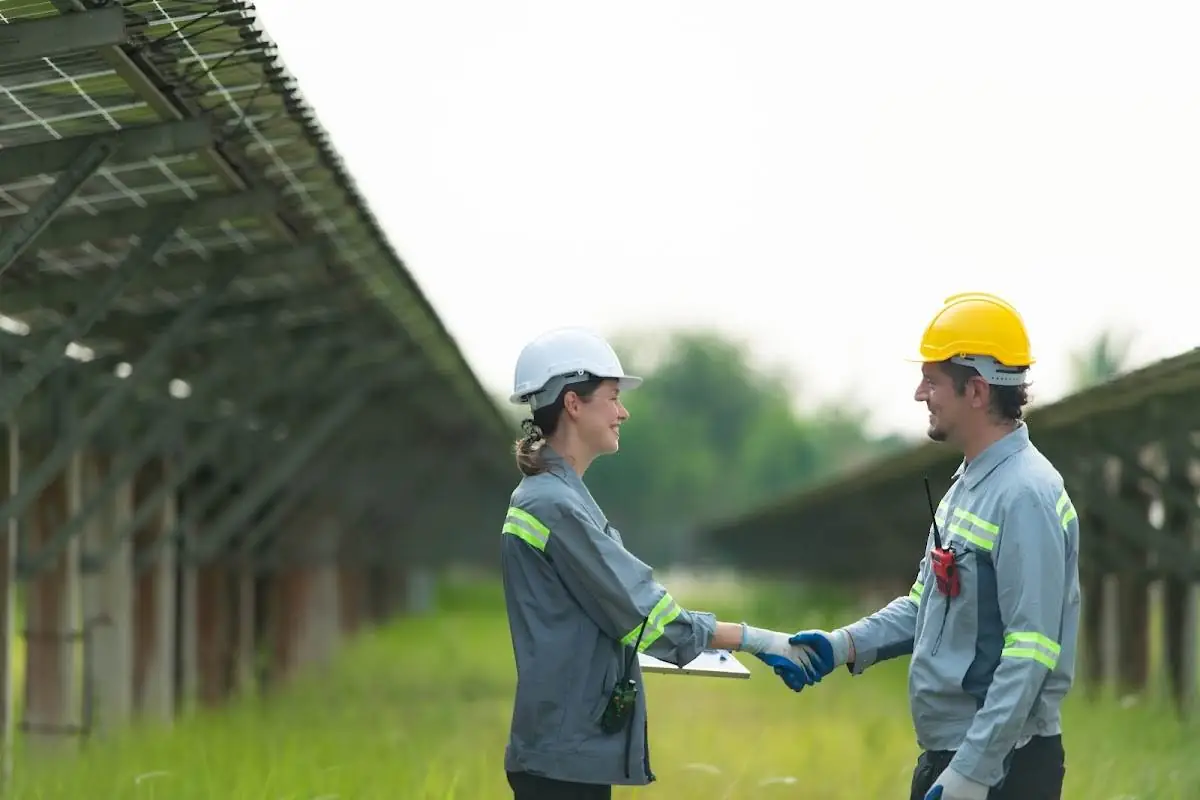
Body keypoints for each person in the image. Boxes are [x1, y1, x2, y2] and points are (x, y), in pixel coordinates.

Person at [499, 326, 824, 800]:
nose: (622, 412)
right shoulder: (555, 505)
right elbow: (649, 615)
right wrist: (759, 639)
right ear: (573, 403)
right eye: (612, 397)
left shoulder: (557, 496)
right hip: (563, 757)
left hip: (562, 749)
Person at [786, 293, 1079, 800]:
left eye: (933, 380)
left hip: (1004, 766)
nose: (920, 393)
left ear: (978, 391)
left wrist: (974, 773)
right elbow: (927, 602)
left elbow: (1030, 651)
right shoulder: (969, 485)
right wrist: (843, 645)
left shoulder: (1025, 495)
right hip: (958, 756)